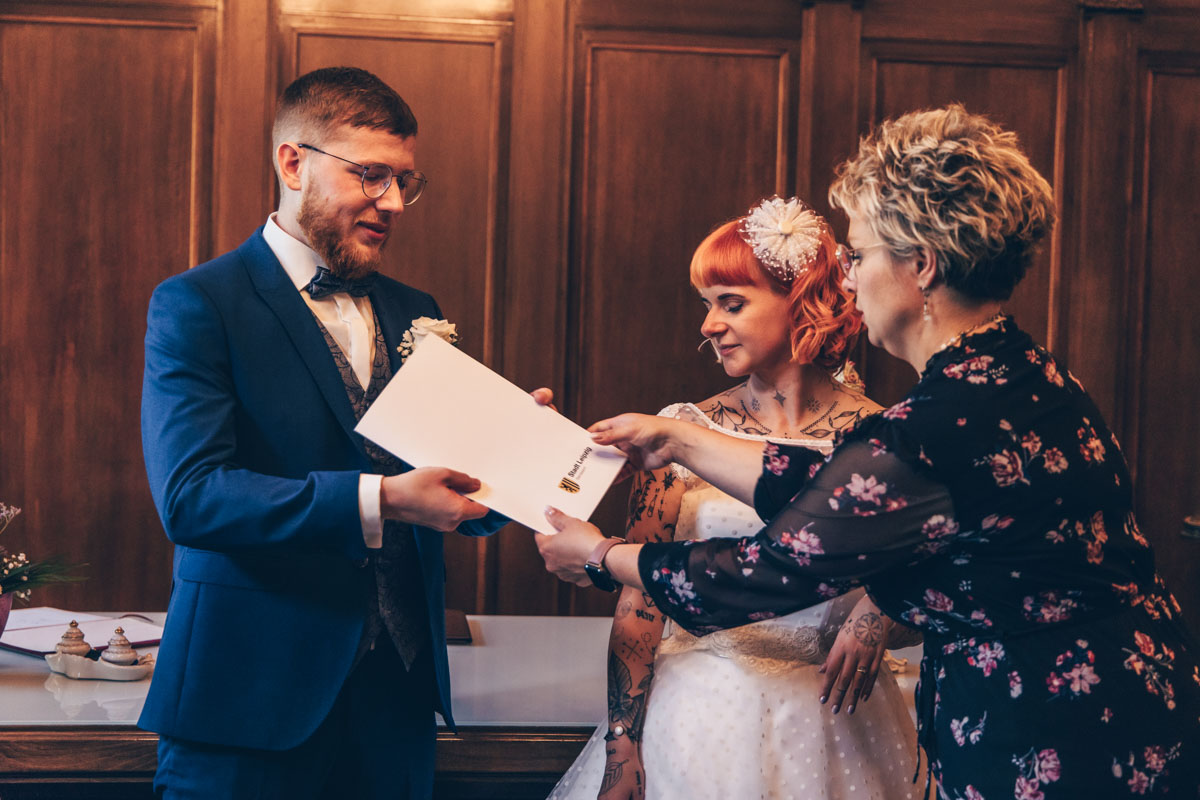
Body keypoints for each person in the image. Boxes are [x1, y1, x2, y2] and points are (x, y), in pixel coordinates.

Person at [537, 105, 1200, 797]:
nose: (846, 281)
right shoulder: (1026, 374)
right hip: (1135, 696)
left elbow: (769, 569)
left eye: (858, 256)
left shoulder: (933, 425)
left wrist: (599, 555)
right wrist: (680, 437)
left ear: (923, 266)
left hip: (1052, 736)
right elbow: (846, 487)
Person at [140, 66, 523, 799]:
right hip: (249, 705)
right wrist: (385, 500)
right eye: (372, 176)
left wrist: (513, 454)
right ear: (293, 162)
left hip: (396, 708)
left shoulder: (418, 309)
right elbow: (192, 498)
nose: (394, 203)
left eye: (406, 182)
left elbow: (457, 494)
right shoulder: (198, 303)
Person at [548, 198, 923, 800]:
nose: (708, 325)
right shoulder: (675, 430)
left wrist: (880, 607)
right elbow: (640, 604)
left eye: (732, 303)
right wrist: (623, 745)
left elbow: (938, 555)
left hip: (841, 718)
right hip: (700, 715)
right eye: (706, 305)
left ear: (799, 300)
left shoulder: (886, 435)